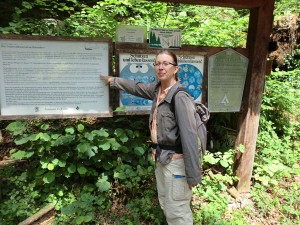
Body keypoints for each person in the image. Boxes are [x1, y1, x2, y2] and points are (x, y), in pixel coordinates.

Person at [100, 50, 201, 225]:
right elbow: (136, 87)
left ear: (175, 69)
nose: (160, 67)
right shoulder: (157, 91)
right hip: (161, 160)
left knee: (177, 211)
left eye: (165, 63)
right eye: (157, 63)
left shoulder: (179, 97)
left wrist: (193, 176)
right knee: (166, 205)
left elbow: (190, 138)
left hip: (176, 164)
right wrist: (112, 81)